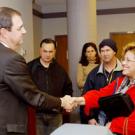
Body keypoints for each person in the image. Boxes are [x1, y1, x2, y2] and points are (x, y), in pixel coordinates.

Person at [0, 7, 73, 135]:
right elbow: (32, 95)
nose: (24, 31)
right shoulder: (12, 59)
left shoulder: (60, 69)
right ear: (4, 32)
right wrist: (62, 101)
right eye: (19, 28)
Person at [75, 42, 135, 135]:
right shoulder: (120, 81)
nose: (123, 63)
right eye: (123, 59)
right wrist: (77, 100)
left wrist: (113, 124)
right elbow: (101, 94)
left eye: (128, 60)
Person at [28, 38, 73, 135]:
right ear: (40, 50)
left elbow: (68, 88)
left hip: (55, 113)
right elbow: (25, 89)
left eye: (50, 51)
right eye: (45, 51)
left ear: (54, 52)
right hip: (36, 114)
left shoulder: (60, 70)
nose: (48, 54)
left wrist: (68, 100)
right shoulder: (30, 67)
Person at [82, 39, 122, 124]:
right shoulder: (93, 74)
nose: (105, 54)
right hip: (99, 118)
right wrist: (90, 117)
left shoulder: (124, 72)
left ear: (114, 51)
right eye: (102, 51)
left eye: (108, 50)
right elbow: (86, 97)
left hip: (120, 118)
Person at [76, 42, 100, 123]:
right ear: (85, 53)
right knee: (86, 122)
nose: (90, 53)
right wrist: (93, 82)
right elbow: (79, 83)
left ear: (96, 52)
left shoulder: (101, 63)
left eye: (92, 51)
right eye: (88, 51)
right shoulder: (81, 64)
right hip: (86, 96)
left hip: (99, 97)